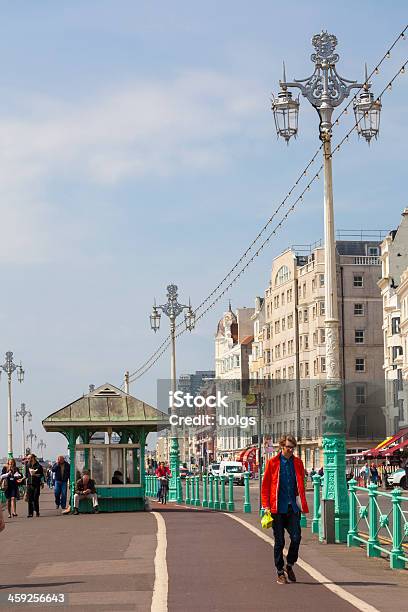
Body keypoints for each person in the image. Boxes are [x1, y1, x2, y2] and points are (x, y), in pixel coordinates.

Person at [261, 434, 309, 584]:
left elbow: (301, 482)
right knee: (280, 541)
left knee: (296, 537)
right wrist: (266, 506)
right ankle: (280, 571)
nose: (290, 450)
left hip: (293, 507)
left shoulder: (298, 463)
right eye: (288, 447)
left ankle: (289, 564)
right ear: (282, 446)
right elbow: (266, 486)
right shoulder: (272, 463)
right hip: (277, 508)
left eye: (292, 448)